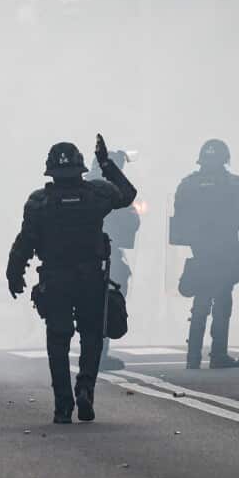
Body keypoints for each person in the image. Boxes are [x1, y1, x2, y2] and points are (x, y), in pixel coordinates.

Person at [7, 135, 137, 423]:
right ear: (80, 169)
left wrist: (14, 273)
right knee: (91, 336)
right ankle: (86, 388)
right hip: (90, 277)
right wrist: (106, 164)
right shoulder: (97, 194)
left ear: (50, 172)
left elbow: (25, 241)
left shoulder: (39, 202)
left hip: (55, 281)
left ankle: (63, 405)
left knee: (58, 339)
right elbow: (128, 194)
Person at [171, 139, 239, 370]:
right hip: (226, 250)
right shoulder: (234, 184)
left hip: (200, 251)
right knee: (222, 302)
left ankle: (193, 357)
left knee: (201, 301)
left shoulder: (187, 184)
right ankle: (218, 354)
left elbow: (178, 219)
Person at [87, 150, 140, 372]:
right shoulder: (111, 189)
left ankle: (92, 353)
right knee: (107, 303)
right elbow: (130, 222)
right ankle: (98, 354)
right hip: (104, 253)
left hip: (78, 255)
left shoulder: (82, 184)